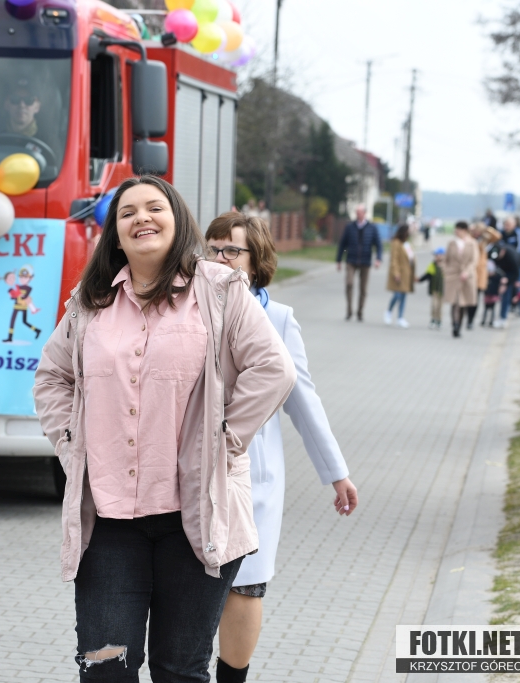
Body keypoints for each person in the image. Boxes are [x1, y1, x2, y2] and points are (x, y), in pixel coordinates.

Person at [33, 176, 296, 682]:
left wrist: (225, 439)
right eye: (127, 212)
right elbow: (52, 377)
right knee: (105, 668)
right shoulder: (90, 301)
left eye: (155, 207)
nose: (142, 218)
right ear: (116, 233)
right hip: (109, 522)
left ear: (177, 220)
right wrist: (71, 445)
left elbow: (273, 369)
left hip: (195, 516)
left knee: (180, 670)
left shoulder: (218, 290)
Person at [205, 212, 357, 683]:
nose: (219, 259)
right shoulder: (183, 308)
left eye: (232, 251)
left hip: (253, 473)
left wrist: (336, 472)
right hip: (187, 471)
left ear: (255, 261)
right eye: (212, 249)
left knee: (245, 585)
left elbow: (303, 402)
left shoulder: (277, 319)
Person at [335, 204, 382, 321]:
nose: (358, 214)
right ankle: (349, 311)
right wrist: (339, 260)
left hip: (365, 261)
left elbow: (378, 245)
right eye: (356, 212)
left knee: (363, 289)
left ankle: (360, 311)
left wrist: (378, 259)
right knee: (349, 284)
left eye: (359, 212)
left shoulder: (372, 227)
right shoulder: (350, 227)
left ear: (364, 213)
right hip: (351, 260)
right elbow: (343, 244)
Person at [444, 221, 479, 338]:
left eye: (458, 230)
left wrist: (467, 272)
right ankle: (454, 324)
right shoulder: (452, 243)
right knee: (454, 301)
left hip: (466, 277)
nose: (456, 232)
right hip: (453, 275)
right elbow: (446, 259)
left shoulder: (472, 243)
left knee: (463, 302)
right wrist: (446, 271)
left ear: (464, 230)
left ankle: (459, 325)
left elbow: (474, 260)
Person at [384, 224, 415, 328]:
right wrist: (396, 273)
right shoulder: (396, 243)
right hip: (399, 273)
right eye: (408, 231)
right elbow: (394, 259)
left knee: (403, 296)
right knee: (397, 295)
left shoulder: (407, 244)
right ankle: (388, 312)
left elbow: (411, 258)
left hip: (407, 274)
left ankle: (400, 318)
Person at [489, 234, 520, 329]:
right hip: (505, 272)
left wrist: (507, 281)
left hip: (517, 269)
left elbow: (516, 272)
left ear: (503, 251)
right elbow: (496, 268)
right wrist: (502, 282)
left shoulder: (512, 256)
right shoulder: (494, 253)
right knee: (505, 295)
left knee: (519, 292)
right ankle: (502, 318)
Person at [417, 247, 445, 329]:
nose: (436, 257)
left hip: (442, 290)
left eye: (437, 255)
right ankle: (433, 319)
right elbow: (427, 275)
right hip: (434, 290)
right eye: (435, 255)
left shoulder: (446, 266)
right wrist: (419, 280)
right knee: (434, 305)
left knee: (440, 307)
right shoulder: (432, 265)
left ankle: (439, 321)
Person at [481, 259, 507, 328]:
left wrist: (501, 287)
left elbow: (502, 281)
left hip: (494, 295)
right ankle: (483, 320)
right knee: (486, 309)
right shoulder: (487, 277)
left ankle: (491, 321)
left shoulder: (497, 277)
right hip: (487, 294)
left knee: (493, 309)